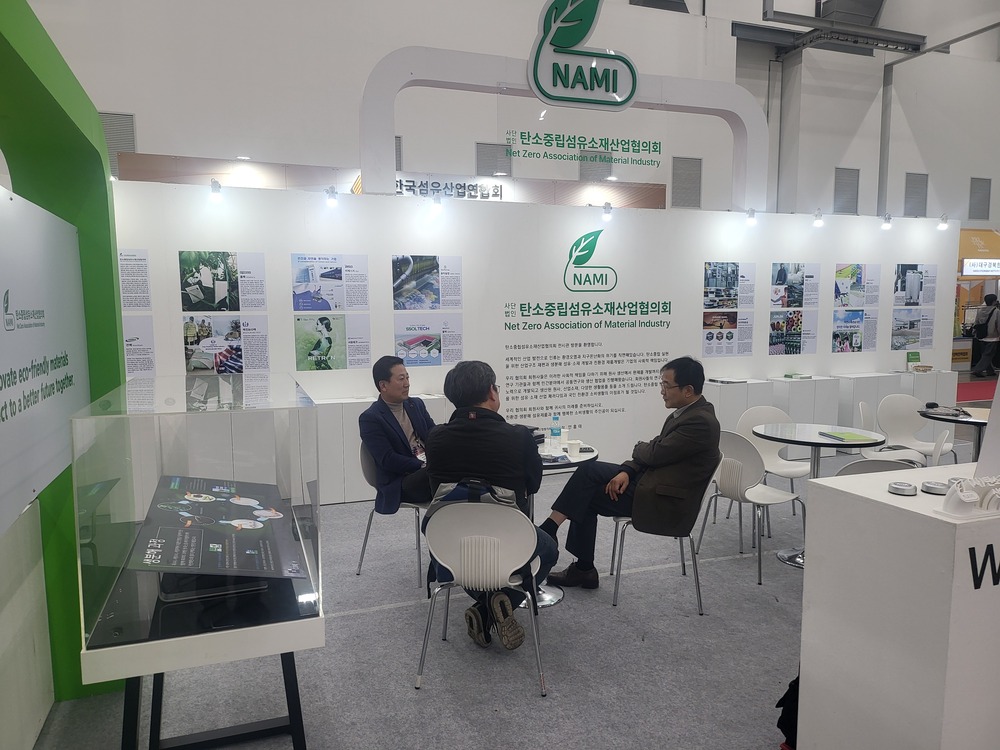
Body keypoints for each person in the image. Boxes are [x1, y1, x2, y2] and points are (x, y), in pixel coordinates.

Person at [543, 355, 721, 590]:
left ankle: (562, 545)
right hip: (652, 481)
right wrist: (627, 470)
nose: (662, 391)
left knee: (586, 494)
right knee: (588, 471)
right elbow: (656, 451)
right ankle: (558, 539)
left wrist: (639, 448)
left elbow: (653, 453)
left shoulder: (700, 422)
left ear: (688, 390)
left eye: (666, 385)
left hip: (664, 500)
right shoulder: (686, 413)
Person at [424, 360, 558, 651]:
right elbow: (533, 485)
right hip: (511, 541)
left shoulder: (435, 438)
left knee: (473, 565)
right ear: (491, 392)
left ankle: (486, 607)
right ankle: (500, 603)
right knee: (549, 549)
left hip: (450, 546)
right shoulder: (519, 437)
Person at [359, 356, 435, 513]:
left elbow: (433, 436)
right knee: (440, 476)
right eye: (401, 379)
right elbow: (388, 459)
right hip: (401, 480)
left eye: (407, 377)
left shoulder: (416, 405)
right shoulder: (371, 418)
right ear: (383, 385)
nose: (407, 384)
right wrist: (423, 465)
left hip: (428, 471)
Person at [971, 293, 1000, 378]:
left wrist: (975, 333)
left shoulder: (980, 311)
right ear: (994, 301)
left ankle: (990, 371)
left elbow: (976, 323)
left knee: (985, 354)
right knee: (988, 355)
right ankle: (978, 370)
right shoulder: (997, 311)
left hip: (982, 336)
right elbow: (998, 324)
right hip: (993, 336)